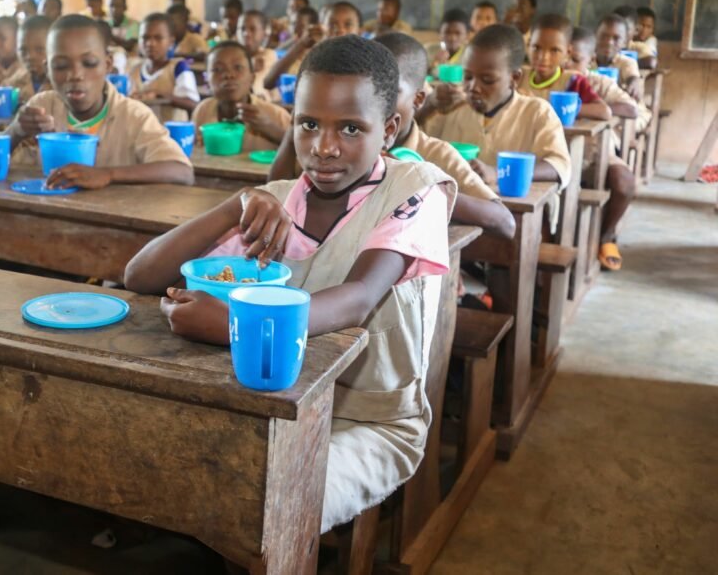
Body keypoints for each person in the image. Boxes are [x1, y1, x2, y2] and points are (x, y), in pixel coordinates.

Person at [124, 34, 455, 535]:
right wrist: (235, 205)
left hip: (366, 420)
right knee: (166, 466)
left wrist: (237, 323)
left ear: (389, 130)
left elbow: (360, 297)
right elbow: (139, 277)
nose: (324, 147)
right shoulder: (274, 203)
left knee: (272, 503)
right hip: (266, 405)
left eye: (350, 128)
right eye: (308, 124)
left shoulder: (415, 191)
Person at [268, 32, 514, 238]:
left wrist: (414, 188)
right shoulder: (329, 147)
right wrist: (297, 125)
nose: (375, 103)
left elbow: (505, 222)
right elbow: (275, 190)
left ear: (418, 99)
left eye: (390, 92)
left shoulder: (435, 156)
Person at [3, 14, 193, 189]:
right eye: (61, 66)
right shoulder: (42, 106)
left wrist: (108, 174)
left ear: (108, 65)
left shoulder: (134, 116)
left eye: (89, 63)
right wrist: (16, 131)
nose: (76, 75)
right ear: (48, 70)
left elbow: (182, 172)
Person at [424, 24, 571, 197]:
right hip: (455, 205)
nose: (473, 87)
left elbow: (558, 165)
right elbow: (414, 144)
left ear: (514, 78)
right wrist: (429, 105)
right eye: (468, 77)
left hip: (515, 210)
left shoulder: (537, 112)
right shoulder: (450, 107)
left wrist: (499, 172)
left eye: (487, 80)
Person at [568, 27, 640, 271]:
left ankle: (606, 236)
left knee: (625, 182)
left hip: (597, 155)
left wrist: (578, 109)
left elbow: (632, 110)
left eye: (576, 60)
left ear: (590, 61)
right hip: (557, 156)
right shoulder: (546, 82)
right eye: (564, 57)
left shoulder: (598, 83)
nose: (568, 64)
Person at [192, 41, 290, 152]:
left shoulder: (277, 116)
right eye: (217, 69)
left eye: (238, 67)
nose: (228, 75)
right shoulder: (203, 110)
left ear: (252, 78)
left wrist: (269, 127)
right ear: (207, 80)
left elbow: (301, 152)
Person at [519, 14, 612, 122]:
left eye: (554, 50)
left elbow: (604, 111)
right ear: (528, 46)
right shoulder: (518, 77)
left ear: (567, 52)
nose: (543, 57)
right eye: (536, 48)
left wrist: (556, 107)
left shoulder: (573, 81)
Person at [263, 1, 360, 92]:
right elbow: (268, 83)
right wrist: (301, 44)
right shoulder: (314, 58)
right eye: (332, 24)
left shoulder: (365, 60)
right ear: (322, 28)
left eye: (348, 25)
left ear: (359, 30)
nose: (340, 30)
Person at [126, 13, 200, 122]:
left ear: (171, 42)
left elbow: (193, 104)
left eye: (158, 38)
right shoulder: (134, 69)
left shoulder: (178, 68)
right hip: (141, 134)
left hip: (171, 135)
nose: (150, 43)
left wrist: (159, 94)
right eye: (145, 38)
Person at [594, 14, 643, 101]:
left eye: (616, 38)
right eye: (604, 36)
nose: (609, 42)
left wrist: (634, 83)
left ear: (624, 42)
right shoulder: (585, 61)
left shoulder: (627, 62)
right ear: (595, 36)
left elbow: (633, 77)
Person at [238, 10, 277, 100]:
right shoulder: (233, 56)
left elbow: (260, 88)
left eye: (252, 29)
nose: (246, 34)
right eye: (242, 29)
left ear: (264, 33)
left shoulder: (267, 56)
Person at [614, 5, 656, 69]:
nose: (621, 33)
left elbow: (651, 62)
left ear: (636, 30)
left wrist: (624, 64)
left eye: (627, 29)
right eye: (616, 28)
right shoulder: (605, 47)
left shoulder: (640, 48)